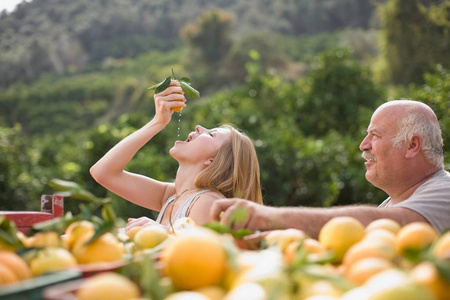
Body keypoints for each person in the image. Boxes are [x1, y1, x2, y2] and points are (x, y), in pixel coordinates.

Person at [210, 100, 450, 238]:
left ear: (412, 145)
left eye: (374, 135)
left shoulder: (444, 191)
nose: (363, 145)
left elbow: (380, 223)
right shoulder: (391, 204)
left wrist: (270, 218)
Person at [90, 80, 263, 232]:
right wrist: (157, 122)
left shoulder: (207, 202)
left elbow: (200, 253)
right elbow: (103, 172)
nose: (198, 127)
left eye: (210, 134)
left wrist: (160, 232)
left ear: (214, 161)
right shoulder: (172, 197)